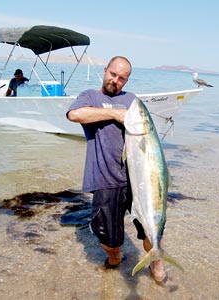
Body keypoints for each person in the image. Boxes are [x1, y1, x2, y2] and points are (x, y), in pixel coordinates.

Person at [66, 56, 168, 286]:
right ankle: (115, 257)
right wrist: (114, 114)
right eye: (113, 74)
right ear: (105, 71)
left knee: (151, 226)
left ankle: (157, 261)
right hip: (105, 179)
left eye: (122, 78)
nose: (116, 80)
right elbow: (75, 115)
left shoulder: (132, 101)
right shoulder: (90, 96)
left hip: (137, 181)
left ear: (127, 80)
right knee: (110, 239)